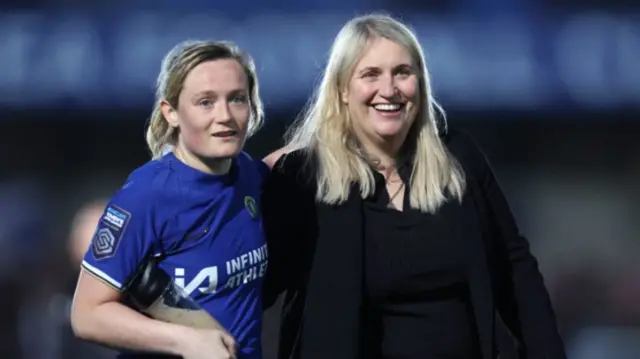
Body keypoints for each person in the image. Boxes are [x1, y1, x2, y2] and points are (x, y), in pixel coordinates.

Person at [261, 14, 567, 359]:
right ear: (342, 90)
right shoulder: (302, 178)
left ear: (420, 82)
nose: (389, 90)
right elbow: (249, 284)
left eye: (402, 73)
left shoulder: (459, 158)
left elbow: (516, 270)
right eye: (370, 74)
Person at [71, 39, 269, 359]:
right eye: (205, 102)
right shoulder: (146, 196)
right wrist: (185, 341)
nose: (225, 116)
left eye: (237, 99)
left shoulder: (251, 175)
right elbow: (86, 315)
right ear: (171, 112)